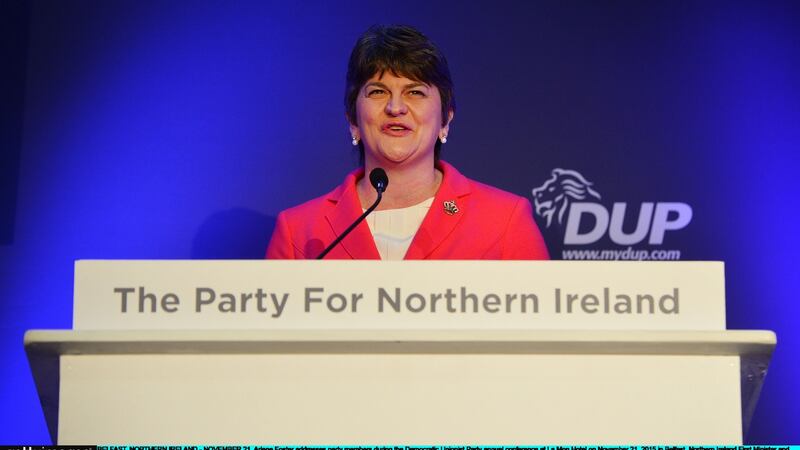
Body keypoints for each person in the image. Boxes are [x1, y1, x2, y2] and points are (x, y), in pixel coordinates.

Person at [266, 25, 549, 260]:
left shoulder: (504, 221)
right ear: (354, 120)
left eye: (415, 92)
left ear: (445, 120)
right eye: (378, 91)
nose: (396, 107)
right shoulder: (299, 231)